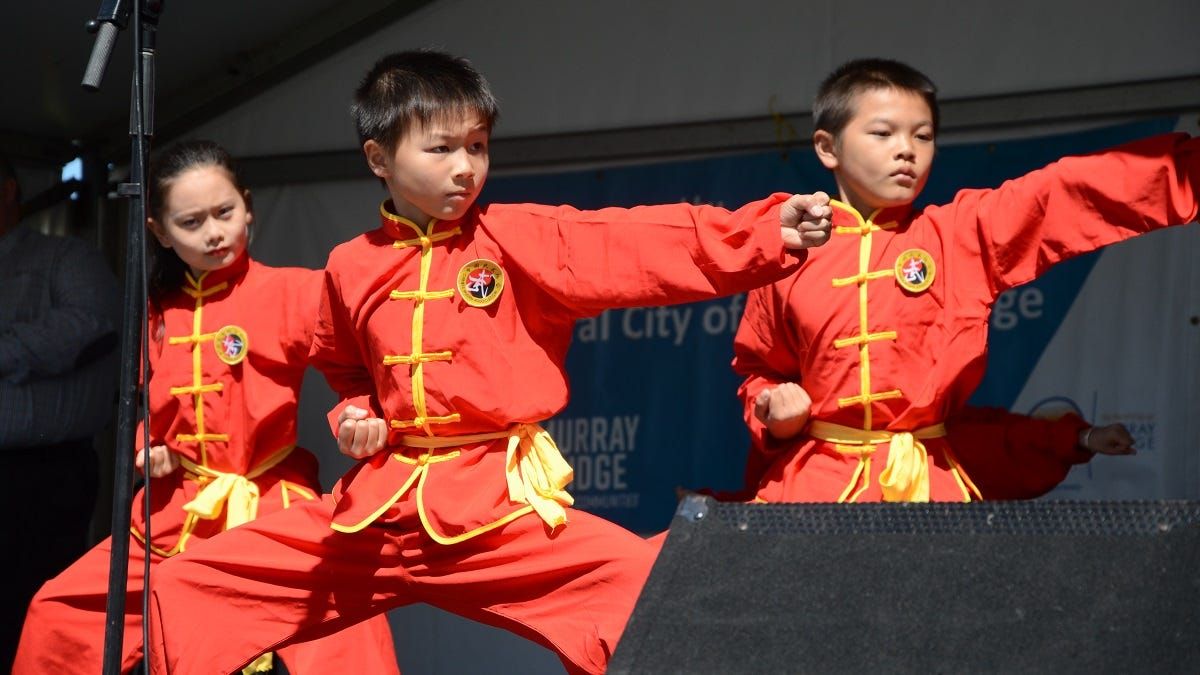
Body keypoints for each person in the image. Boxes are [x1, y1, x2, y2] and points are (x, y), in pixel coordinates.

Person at [140, 49, 833, 675]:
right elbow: (347, 373)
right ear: (379, 157)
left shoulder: (517, 237)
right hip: (376, 518)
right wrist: (358, 417)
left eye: (477, 145)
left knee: (646, 598)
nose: (465, 165)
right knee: (187, 587)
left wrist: (764, 231)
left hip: (497, 511)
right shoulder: (350, 266)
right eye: (441, 148)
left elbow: (637, 242)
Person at [732, 57, 1196, 504]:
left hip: (930, 491)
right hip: (816, 488)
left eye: (923, 135)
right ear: (827, 147)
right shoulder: (787, 251)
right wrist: (776, 415)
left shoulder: (961, 234)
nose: (906, 150)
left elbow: (1063, 194)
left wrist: (1186, 172)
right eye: (882, 132)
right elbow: (761, 370)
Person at [13, 140, 400, 675]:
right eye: (191, 222)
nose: (214, 232)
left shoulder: (292, 290)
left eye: (225, 212)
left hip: (269, 502)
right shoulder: (154, 311)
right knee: (58, 614)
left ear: (248, 206)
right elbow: (144, 408)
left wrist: (358, 412)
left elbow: (362, 359)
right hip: (175, 512)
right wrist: (146, 448)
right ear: (159, 231)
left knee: (347, 631)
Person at [0, 154, 120, 670]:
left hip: (41, 473)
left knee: (32, 610)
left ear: (7, 190)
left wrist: (8, 350)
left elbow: (91, 326)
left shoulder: (65, 257)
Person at [703, 382, 1136, 503]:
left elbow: (1005, 440)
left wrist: (1084, 436)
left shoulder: (938, 438)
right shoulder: (803, 451)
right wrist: (707, 509)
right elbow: (758, 518)